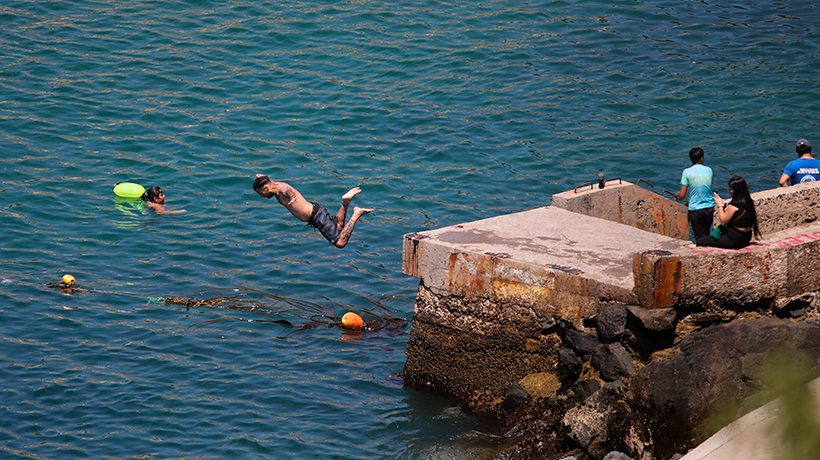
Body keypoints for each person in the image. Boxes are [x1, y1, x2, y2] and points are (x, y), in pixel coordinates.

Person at [252, 174, 373, 248]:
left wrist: (292, 195)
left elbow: (286, 190)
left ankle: (356, 214)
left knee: (340, 243)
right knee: (339, 227)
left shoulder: (280, 189)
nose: (262, 196)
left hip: (316, 216)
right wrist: (258, 176)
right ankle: (345, 201)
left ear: (266, 188)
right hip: (316, 210)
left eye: (261, 193)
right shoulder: (273, 183)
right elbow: (264, 178)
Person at [696, 176, 761, 249]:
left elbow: (723, 221)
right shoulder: (748, 202)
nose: (728, 191)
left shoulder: (734, 204)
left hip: (734, 239)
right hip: (746, 237)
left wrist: (720, 205)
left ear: (735, 190)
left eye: (730, 189)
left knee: (701, 241)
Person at [675, 147, 716, 241]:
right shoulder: (709, 170)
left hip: (695, 209)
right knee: (707, 233)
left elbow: (682, 195)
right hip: (709, 207)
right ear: (702, 158)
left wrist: (678, 195)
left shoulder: (686, 172)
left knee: (699, 237)